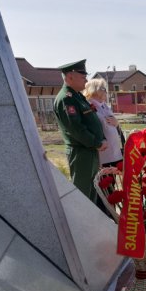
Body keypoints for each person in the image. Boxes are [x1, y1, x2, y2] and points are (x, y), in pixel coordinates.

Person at [53, 60, 108, 202]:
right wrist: (97, 143)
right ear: (70, 76)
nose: (86, 80)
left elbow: (92, 121)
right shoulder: (66, 99)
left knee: (92, 193)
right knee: (83, 196)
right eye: (83, 76)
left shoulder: (77, 96)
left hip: (89, 150)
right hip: (81, 152)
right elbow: (76, 129)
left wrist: (100, 140)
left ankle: (90, 217)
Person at [83, 78, 122, 168]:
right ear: (95, 90)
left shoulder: (104, 105)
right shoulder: (88, 106)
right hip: (103, 154)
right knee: (105, 176)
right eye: (104, 89)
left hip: (115, 152)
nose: (106, 92)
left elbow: (113, 123)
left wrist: (117, 123)